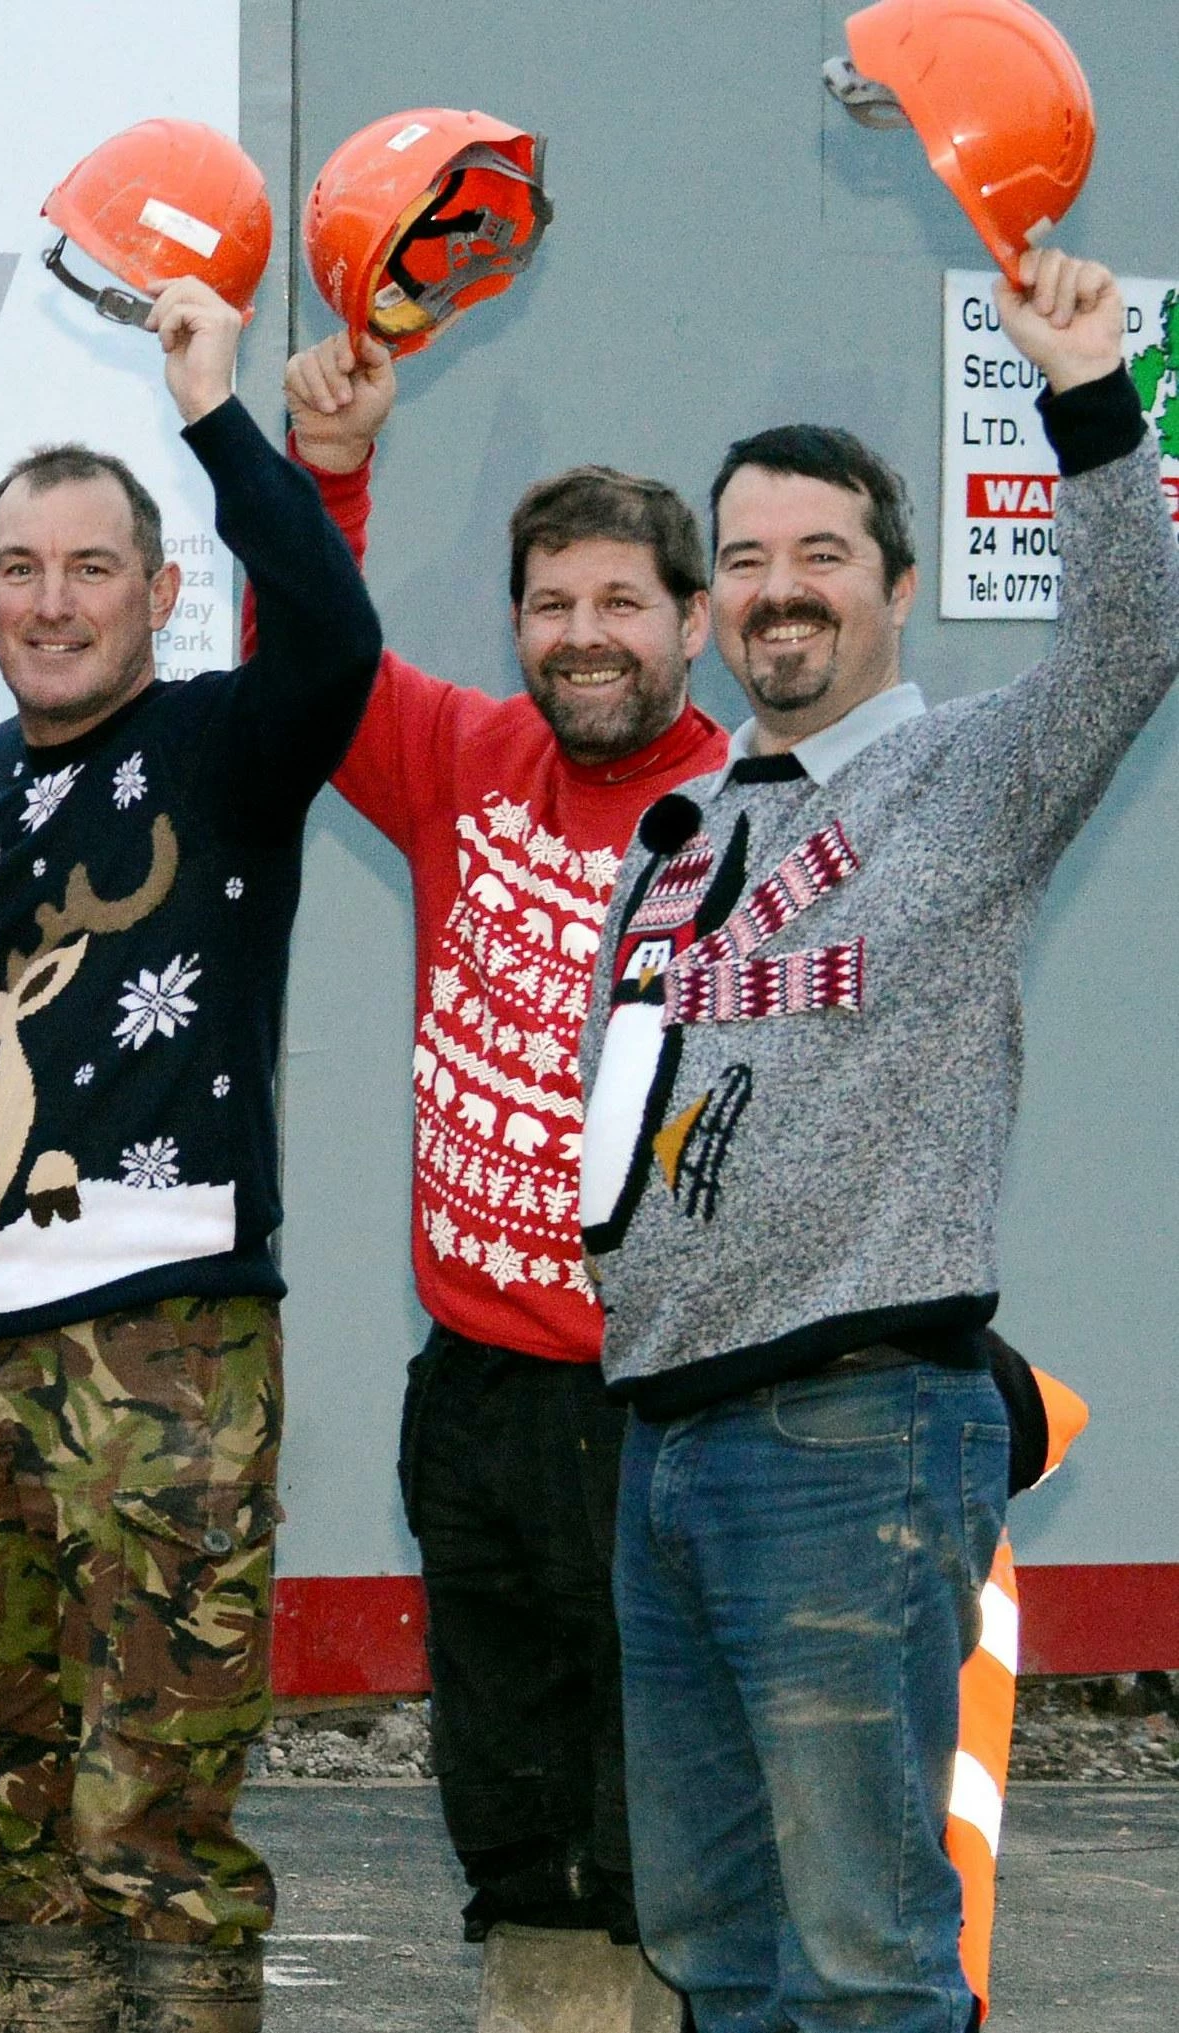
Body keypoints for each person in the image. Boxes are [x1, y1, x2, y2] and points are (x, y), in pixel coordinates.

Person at [575, 249, 1172, 2033]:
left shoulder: (978, 772)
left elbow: (1138, 632)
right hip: (663, 1444)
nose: (780, 592)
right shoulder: (671, 839)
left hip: (851, 1435)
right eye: (744, 560)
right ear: (708, 606)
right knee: (716, 1949)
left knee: (864, 1960)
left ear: (898, 591)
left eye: (821, 556)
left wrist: (1085, 390)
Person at [0, 276, 381, 2033]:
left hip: (162, 1351)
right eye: (19, 570)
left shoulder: (223, 745)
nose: (52, 602)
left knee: (154, 1803)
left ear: (161, 595)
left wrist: (207, 408)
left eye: (91, 567)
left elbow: (330, 637)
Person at [277, 332, 718, 2029]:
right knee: (519, 1823)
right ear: (515, 623)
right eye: (551, 603)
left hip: (673, 1404)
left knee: (667, 1815)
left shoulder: (760, 811)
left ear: (689, 622)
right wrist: (328, 474)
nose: (584, 634)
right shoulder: (461, 764)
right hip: (473, 1398)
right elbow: (309, 662)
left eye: (621, 602)